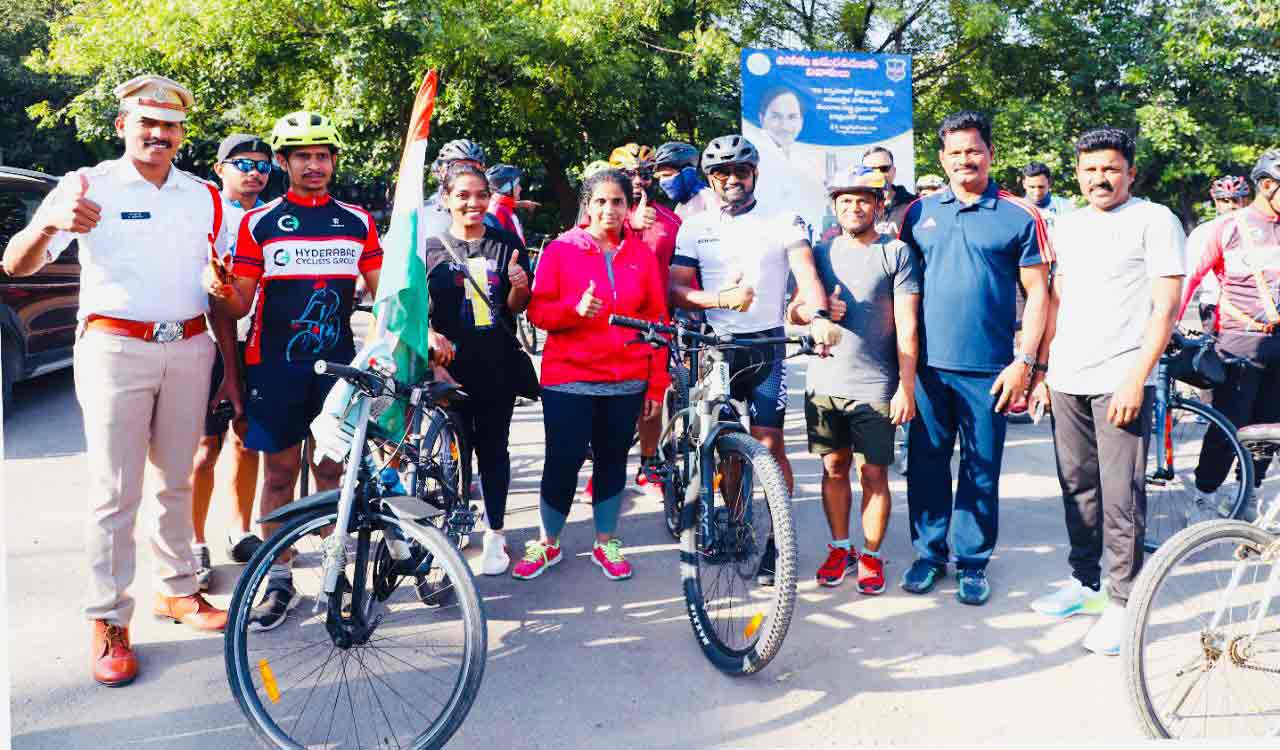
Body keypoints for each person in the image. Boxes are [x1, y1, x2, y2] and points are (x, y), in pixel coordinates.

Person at [2, 74, 234, 686]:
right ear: (122, 126)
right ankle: (107, 618)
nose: (158, 134)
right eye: (146, 123)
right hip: (114, 347)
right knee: (115, 492)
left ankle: (178, 590)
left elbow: (224, 282)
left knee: (175, 481)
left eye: (170, 125)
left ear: (183, 131)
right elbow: (15, 262)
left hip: (188, 346)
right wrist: (50, 226)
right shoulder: (84, 186)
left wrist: (226, 292)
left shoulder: (203, 196)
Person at [209, 110, 382, 630]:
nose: (314, 165)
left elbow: (383, 294)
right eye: (303, 156)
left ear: (333, 161)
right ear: (283, 162)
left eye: (323, 155)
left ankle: (335, 570)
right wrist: (222, 288)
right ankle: (278, 576)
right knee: (280, 474)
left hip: (337, 370)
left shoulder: (357, 220)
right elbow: (239, 306)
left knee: (331, 474)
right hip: (276, 366)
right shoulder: (259, 223)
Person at [1028, 128, 1185, 655]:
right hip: (1068, 376)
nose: (1101, 177)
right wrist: (1044, 372)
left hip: (1119, 377)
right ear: (1077, 174)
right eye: (1091, 169)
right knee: (1077, 485)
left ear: (1130, 173)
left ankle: (1125, 602)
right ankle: (1086, 583)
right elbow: (1055, 301)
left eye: (1112, 168)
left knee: (1122, 495)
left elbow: (1165, 308)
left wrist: (1136, 377)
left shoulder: (1154, 220)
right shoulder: (1067, 227)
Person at [670, 134, 843, 585]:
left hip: (766, 345)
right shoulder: (694, 227)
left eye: (741, 172)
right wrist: (718, 297)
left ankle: (777, 542)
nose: (732, 180)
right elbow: (677, 289)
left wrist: (820, 316)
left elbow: (805, 272)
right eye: (723, 173)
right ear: (711, 178)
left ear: (755, 175)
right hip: (716, 346)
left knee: (770, 446)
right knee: (724, 443)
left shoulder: (783, 219)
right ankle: (738, 522)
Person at [897, 110, 1053, 605]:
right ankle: (928, 554)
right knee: (925, 464)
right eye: (956, 152)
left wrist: (1026, 363)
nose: (966, 159)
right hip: (927, 369)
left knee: (981, 468)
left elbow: (1040, 295)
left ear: (990, 154)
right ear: (942, 159)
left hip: (991, 369)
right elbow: (902, 291)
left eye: (975, 150)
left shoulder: (1019, 215)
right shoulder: (918, 215)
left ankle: (972, 562)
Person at [517, 168, 670, 581]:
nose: (609, 209)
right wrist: (574, 310)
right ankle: (548, 542)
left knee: (612, 461)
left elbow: (656, 322)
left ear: (628, 206)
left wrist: (657, 382)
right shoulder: (561, 250)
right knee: (562, 461)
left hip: (626, 379)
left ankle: (606, 542)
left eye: (617, 201)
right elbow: (538, 312)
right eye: (600, 201)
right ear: (588, 205)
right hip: (569, 378)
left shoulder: (641, 255)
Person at [797, 166, 920, 593]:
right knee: (833, 468)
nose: (854, 207)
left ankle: (870, 555)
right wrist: (817, 312)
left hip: (876, 386)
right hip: (825, 383)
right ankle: (839, 547)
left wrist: (906, 386)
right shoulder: (819, 252)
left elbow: (907, 326)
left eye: (863, 199)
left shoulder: (897, 252)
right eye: (845, 201)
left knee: (874, 477)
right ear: (835, 207)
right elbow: (794, 310)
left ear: (878, 204)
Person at [424, 163, 532, 576]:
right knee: (452, 454)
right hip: (446, 370)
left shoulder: (506, 243)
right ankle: (454, 523)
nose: (473, 203)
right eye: (463, 195)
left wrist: (520, 287)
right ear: (447, 199)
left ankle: (496, 534)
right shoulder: (431, 248)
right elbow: (415, 309)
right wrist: (430, 335)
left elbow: (517, 309)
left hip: (496, 364)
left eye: (480, 194)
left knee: (494, 451)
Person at [1178, 151, 1280, 521]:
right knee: (1228, 428)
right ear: (1268, 186)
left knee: (1269, 429)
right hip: (1238, 342)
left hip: (1278, 344)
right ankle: (1205, 495)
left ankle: (1249, 493)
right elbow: (1188, 279)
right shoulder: (1227, 227)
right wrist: (1167, 329)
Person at [189, 134, 272, 590]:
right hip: (207, 343)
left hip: (256, 342)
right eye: (242, 163)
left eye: (262, 165)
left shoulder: (272, 217)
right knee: (204, 448)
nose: (254, 172)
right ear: (220, 168)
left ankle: (240, 533)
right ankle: (194, 541)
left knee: (249, 440)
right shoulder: (205, 213)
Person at [608, 142, 680, 499]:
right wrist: (627, 225)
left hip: (655, 323)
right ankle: (609, 467)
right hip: (611, 324)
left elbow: (686, 273)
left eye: (643, 174)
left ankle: (648, 464)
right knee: (612, 403)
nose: (636, 180)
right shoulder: (600, 216)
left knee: (653, 401)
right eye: (628, 174)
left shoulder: (670, 220)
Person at [1183, 175, 1251, 329]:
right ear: (1215, 202)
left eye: (1236, 200)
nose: (1231, 206)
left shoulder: (1260, 230)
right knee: (1216, 351)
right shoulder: (1203, 232)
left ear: (1246, 201)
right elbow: (1189, 276)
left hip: (1255, 307)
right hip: (1214, 305)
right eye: (1224, 201)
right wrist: (1175, 317)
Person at [422, 139, 486, 238]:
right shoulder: (421, 215)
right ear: (442, 171)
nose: (467, 174)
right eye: (458, 168)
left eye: (475, 169)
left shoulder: (489, 217)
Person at [653, 141, 720, 220]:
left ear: (687, 173)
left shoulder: (709, 199)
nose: (662, 182)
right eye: (659, 177)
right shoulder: (680, 206)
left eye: (667, 175)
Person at [861, 146, 916, 236]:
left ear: (893, 171)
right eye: (870, 170)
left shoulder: (914, 205)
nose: (877, 174)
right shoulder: (854, 207)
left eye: (884, 169)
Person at [483, 163, 531, 246]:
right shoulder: (498, 210)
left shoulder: (503, 206)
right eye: (517, 185)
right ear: (507, 188)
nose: (520, 188)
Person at [1019, 162, 1076, 227]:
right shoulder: (1017, 210)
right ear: (1024, 184)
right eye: (1032, 187)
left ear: (1049, 183)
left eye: (1041, 187)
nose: (1037, 192)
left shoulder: (1065, 207)